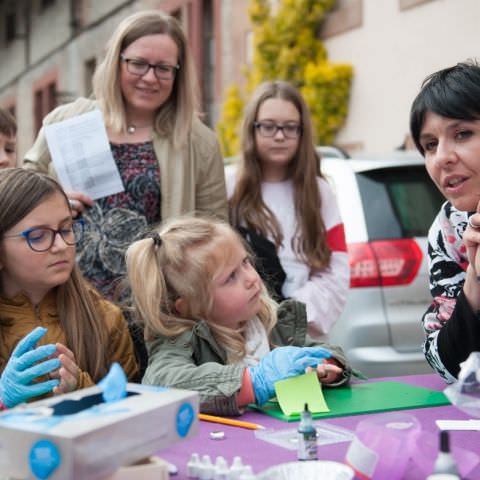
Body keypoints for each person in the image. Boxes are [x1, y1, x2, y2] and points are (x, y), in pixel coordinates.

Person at [23, 10, 227, 300]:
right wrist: (54, 205)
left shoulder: (199, 142)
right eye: (138, 64)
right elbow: (18, 197)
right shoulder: (65, 121)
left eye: (163, 68)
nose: (150, 77)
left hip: (154, 305)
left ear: (178, 74)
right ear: (116, 62)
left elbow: (215, 234)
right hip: (65, 297)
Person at [125, 216, 352, 416]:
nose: (251, 278)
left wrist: (324, 366)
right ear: (188, 306)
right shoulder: (179, 339)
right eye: (230, 277)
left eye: (245, 263)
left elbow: (321, 352)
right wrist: (254, 382)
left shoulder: (270, 321)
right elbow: (162, 382)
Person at [0, 168, 137, 408]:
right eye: (38, 236)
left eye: (66, 229)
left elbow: (131, 421)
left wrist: (81, 392)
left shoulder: (104, 318)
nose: (62, 245)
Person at [226, 80, 349, 340]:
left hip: (299, 334)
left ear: (302, 132)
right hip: (239, 334)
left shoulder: (319, 192)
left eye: (290, 127)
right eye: (269, 126)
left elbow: (335, 272)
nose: (280, 136)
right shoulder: (229, 188)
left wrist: (289, 312)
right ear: (253, 129)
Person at [410, 60, 480, 382]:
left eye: (463, 134)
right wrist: (474, 283)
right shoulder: (449, 230)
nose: (442, 157)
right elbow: (445, 364)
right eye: (430, 145)